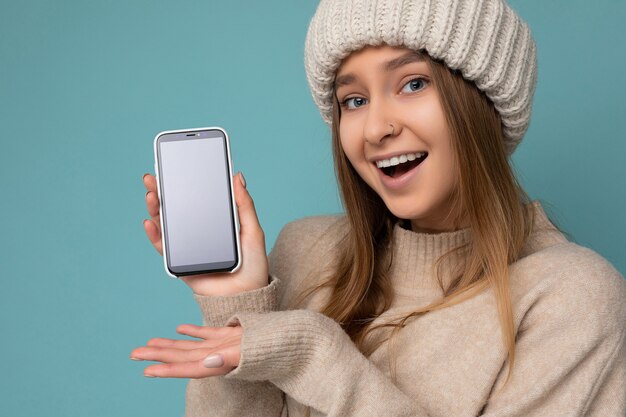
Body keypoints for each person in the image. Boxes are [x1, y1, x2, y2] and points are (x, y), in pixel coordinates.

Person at [130, 0, 626, 415]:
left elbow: (310, 354)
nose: (375, 129)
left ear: (483, 102)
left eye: (413, 83)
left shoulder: (570, 297)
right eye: (353, 100)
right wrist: (240, 304)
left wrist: (312, 354)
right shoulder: (306, 252)